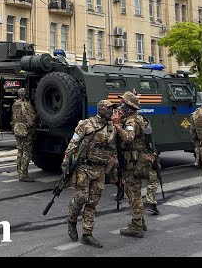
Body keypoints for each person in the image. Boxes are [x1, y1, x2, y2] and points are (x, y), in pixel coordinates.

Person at [63, 100, 117, 248]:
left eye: (112, 108)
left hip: (100, 171)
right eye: (109, 108)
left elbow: (112, 151)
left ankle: (87, 234)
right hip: (84, 168)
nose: (112, 111)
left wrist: (114, 171)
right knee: (80, 198)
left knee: (92, 203)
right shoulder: (86, 124)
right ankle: (72, 221)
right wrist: (66, 165)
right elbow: (73, 144)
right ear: (101, 109)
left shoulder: (112, 128)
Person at [111, 91, 150, 238]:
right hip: (133, 161)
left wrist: (117, 125)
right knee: (135, 192)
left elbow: (128, 138)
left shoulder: (131, 121)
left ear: (129, 106)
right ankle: (141, 220)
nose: (120, 106)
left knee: (133, 194)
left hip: (132, 163)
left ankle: (136, 226)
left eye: (123, 103)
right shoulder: (135, 118)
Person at [11, 88, 37, 182]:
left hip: (17, 129)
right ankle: (24, 175)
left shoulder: (15, 104)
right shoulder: (26, 104)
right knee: (26, 152)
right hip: (25, 130)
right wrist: (31, 126)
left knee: (20, 152)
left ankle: (19, 172)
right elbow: (33, 117)